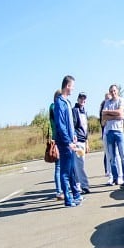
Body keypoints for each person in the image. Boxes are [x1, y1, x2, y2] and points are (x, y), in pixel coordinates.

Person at [53, 76, 82, 207]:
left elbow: (70, 123)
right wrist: (67, 141)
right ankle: (68, 200)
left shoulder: (67, 102)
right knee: (65, 172)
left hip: (70, 139)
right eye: (72, 86)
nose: (73, 88)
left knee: (71, 171)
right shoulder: (59, 103)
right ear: (67, 86)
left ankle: (76, 195)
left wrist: (74, 135)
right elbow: (60, 124)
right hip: (65, 143)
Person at [101, 84, 124, 185]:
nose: (113, 93)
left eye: (114, 91)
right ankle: (115, 177)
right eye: (111, 91)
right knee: (112, 157)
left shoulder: (121, 100)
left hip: (119, 131)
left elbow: (121, 113)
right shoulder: (107, 102)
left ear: (117, 91)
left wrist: (108, 113)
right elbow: (104, 115)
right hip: (109, 132)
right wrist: (115, 115)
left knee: (123, 155)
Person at [72, 91, 91, 194]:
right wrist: (74, 139)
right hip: (78, 142)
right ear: (78, 99)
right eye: (81, 98)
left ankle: (77, 185)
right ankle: (84, 185)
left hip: (83, 141)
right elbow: (74, 126)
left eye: (84, 98)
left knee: (78, 164)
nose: (82, 100)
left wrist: (87, 143)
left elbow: (86, 129)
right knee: (80, 164)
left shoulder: (84, 112)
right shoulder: (75, 111)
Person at [48, 90, 65, 201]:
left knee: (60, 166)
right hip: (58, 138)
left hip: (56, 137)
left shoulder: (52, 106)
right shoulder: (54, 107)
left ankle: (60, 190)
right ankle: (59, 191)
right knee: (59, 166)